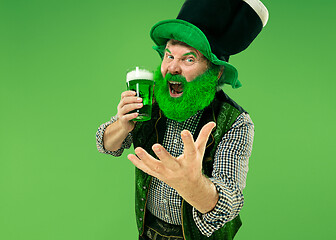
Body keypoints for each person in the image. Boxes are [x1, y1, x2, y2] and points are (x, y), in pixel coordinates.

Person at [96, 0, 268, 239]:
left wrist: (192, 184)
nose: (172, 68)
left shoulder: (235, 121)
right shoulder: (149, 99)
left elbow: (230, 203)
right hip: (149, 232)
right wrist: (122, 125)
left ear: (215, 71)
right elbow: (106, 145)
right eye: (168, 56)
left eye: (188, 59)